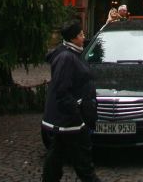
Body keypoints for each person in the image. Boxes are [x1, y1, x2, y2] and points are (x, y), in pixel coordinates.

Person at [42, 21, 101, 182]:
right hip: (71, 122)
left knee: (55, 159)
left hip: (65, 122)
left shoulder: (71, 52)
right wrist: (79, 117)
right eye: (81, 34)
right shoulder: (66, 57)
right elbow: (62, 91)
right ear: (74, 38)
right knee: (84, 164)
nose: (84, 37)